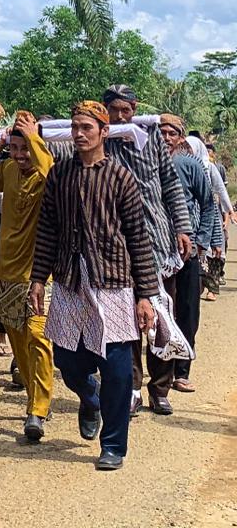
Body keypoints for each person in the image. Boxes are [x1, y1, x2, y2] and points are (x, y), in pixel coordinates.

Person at [30, 101, 156, 471]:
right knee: (68, 360)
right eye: (75, 127)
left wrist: (145, 294)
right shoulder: (59, 174)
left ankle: (113, 445)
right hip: (70, 279)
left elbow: (138, 238)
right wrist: (38, 279)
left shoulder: (120, 177)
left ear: (104, 132)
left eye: (87, 127)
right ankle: (90, 398)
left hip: (114, 281)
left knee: (117, 367)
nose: (80, 133)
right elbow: (48, 230)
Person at [102, 84, 192, 417]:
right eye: (115, 111)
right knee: (127, 323)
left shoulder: (151, 136)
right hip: (118, 245)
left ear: (135, 109)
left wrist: (182, 227)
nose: (121, 117)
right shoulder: (102, 140)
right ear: (106, 110)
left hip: (157, 242)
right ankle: (132, 389)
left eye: (127, 111)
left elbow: (170, 184)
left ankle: (161, 388)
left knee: (162, 317)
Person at [0, 111, 55, 441]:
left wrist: (32, 135)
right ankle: (34, 398)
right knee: (18, 338)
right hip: (7, 271)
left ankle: (38, 408)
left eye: (26, 149)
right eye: (16, 149)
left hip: (38, 274)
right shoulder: (8, 169)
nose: (21, 156)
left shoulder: (45, 174)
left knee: (39, 336)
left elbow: (47, 165)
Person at [159, 115, 214, 393]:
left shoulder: (190, 166)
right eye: (162, 132)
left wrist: (201, 241)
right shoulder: (147, 166)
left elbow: (208, 205)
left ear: (181, 137)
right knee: (160, 309)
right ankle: (161, 371)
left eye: (172, 133)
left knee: (187, 310)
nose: (166, 138)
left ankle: (182, 370)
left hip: (187, 253)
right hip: (156, 252)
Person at [187, 136, 232, 301]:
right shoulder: (177, 165)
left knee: (213, 257)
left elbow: (220, 191)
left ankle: (211, 290)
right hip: (188, 223)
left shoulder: (209, 168)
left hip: (208, 219)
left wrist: (228, 212)